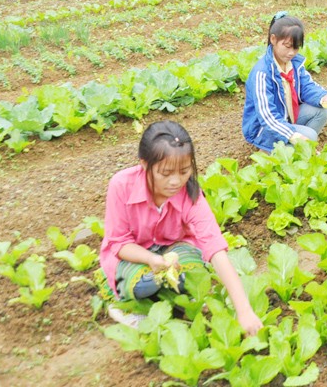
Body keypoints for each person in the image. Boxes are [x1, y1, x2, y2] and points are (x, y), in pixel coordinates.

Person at [100, 121, 263, 334]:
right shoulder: (121, 185)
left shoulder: (190, 193)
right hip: (133, 253)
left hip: (174, 250)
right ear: (144, 164)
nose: (176, 181)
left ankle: (173, 295)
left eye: (185, 171)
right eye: (165, 173)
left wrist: (245, 311)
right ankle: (123, 303)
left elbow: (214, 246)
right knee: (145, 284)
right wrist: (150, 259)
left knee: (196, 277)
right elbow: (119, 242)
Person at [242, 13, 327, 151]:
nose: (291, 53)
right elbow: (267, 116)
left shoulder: (294, 63)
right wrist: (293, 135)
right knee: (310, 135)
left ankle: (297, 150)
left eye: (296, 47)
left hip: (286, 117)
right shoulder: (262, 73)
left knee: (323, 110)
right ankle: (273, 151)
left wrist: (324, 96)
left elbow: (307, 86)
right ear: (273, 39)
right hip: (264, 128)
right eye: (287, 46)